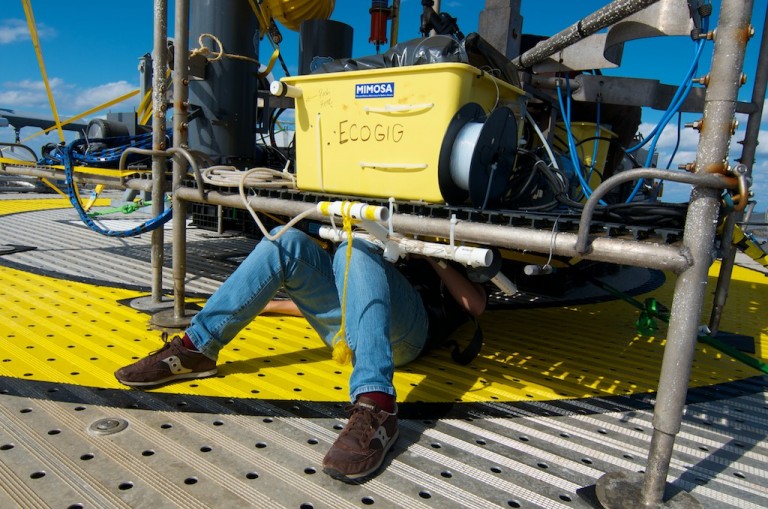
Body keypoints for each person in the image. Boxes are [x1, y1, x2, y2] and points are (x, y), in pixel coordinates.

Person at [115, 226, 486, 481]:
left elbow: (476, 304)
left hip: (408, 332)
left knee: (354, 251)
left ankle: (377, 405)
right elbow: (350, 294)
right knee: (286, 241)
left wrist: (429, 247)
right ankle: (197, 348)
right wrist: (271, 302)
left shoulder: (447, 225)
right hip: (355, 322)